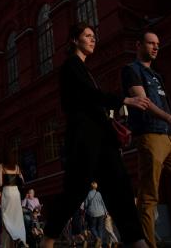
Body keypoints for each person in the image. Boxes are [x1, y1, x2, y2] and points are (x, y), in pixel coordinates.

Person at [42, 22, 149, 248]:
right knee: (75, 191)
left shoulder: (83, 68)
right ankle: (48, 239)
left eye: (94, 36)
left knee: (120, 187)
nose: (93, 39)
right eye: (88, 35)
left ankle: (136, 241)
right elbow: (89, 95)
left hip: (102, 138)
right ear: (74, 40)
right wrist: (124, 99)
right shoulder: (71, 66)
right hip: (84, 139)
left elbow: (93, 99)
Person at [120, 30, 171, 248]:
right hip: (150, 134)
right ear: (138, 45)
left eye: (157, 43)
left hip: (170, 137)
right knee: (149, 195)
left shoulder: (157, 75)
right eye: (150, 43)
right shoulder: (131, 70)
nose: (156, 47)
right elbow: (143, 102)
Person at [0, 152, 25, 248]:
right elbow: (22, 181)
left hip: (7, 191)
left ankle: (15, 238)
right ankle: (19, 240)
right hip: (16, 192)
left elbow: (0, 183)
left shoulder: (1, 166)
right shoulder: (16, 167)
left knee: (6, 218)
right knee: (17, 218)